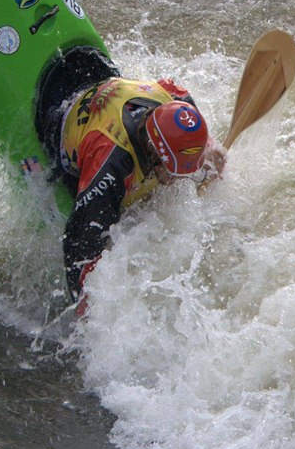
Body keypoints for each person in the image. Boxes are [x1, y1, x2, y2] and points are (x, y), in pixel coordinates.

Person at [35, 47, 226, 315]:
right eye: (171, 172)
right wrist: (85, 309)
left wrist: (209, 144)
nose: (174, 181)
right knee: (106, 221)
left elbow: (181, 94)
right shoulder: (112, 164)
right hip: (60, 120)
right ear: (154, 154)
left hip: (98, 82)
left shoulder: (169, 102)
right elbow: (77, 243)